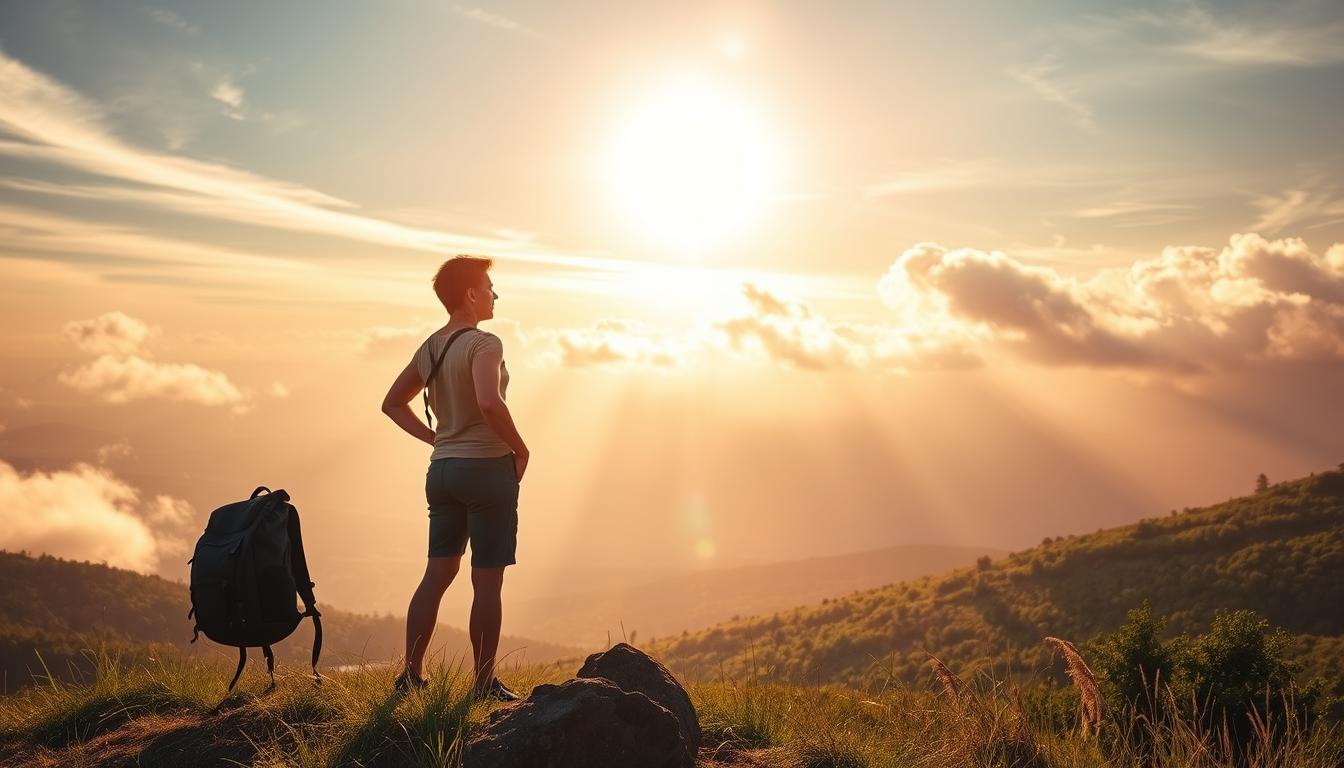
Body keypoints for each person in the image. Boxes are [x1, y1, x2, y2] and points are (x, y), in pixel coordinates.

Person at [380, 255, 528, 701]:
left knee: (437, 574)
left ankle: (410, 675)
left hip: (442, 471)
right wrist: (520, 449)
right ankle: (483, 685)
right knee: (487, 582)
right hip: (486, 470)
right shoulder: (485, 344)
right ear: (470, 294)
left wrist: (437, 440)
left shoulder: (431, 346)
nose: (494, 294)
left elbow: (392, 403)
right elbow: (489, 403)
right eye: (488, 286)